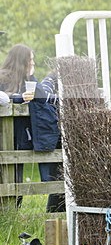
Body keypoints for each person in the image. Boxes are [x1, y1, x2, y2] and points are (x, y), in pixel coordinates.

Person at [0, 44, 36, 206]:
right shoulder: (3, 78)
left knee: (17, 177)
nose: (32, 63)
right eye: (30, 60)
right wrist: (18, 97)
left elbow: (39, 95)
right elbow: (4, 98)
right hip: (4, 134)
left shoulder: (27, 80)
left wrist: (33, 78)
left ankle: (13, 212)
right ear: (22, 60)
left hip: (20, 135)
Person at [28, 69, 65, 212]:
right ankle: (54, 211)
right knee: (57, 176)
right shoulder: (49, 82)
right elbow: (44, 94)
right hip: (53, 135)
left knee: (59, 176)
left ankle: (56, 211)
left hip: (58, 135)